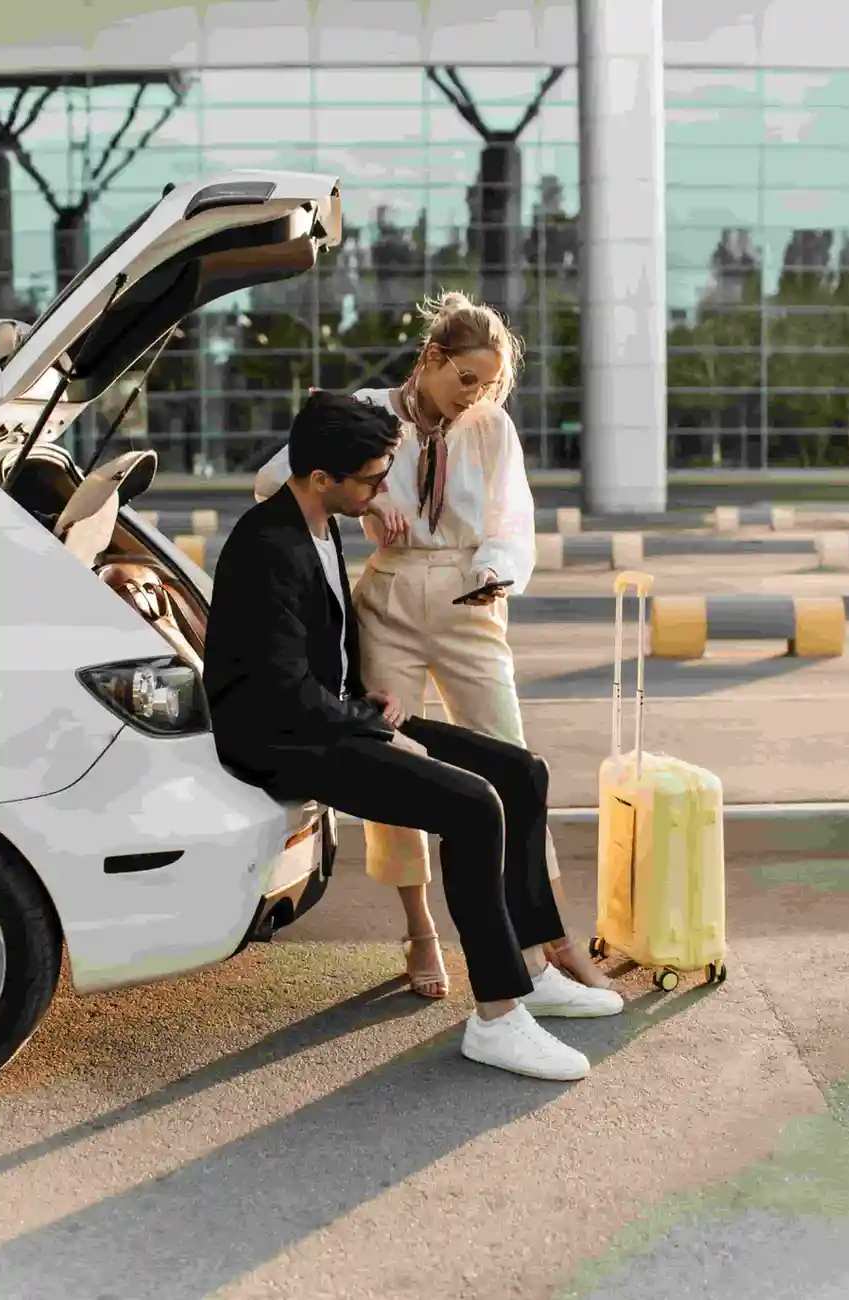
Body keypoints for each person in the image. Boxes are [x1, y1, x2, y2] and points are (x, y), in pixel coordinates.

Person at [204, 391, 623, 1081]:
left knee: (522, 773)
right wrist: (366, 724)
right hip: (288, 743)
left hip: (333, 716)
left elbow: (308, 657)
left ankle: (531, 963)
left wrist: (362, 699)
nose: (379, 491)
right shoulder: (266, 545)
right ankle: (496, 1017)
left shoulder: (316, 520)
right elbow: (276, 693)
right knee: (472, 805)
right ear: (319, 479)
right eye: (369, 480)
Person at [253, 291, 609, 1002]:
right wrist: (366, 495)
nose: (475, 396)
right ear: (431, 358)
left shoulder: (489, 428)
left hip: (467, 598)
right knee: (395, 770)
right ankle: (418, 930)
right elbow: (273, 483)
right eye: (467, 379)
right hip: (386, 599)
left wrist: (496, 570)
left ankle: (541, 942)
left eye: (490, 385)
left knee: (510, 761)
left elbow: (513, 517)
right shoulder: (362, 410)